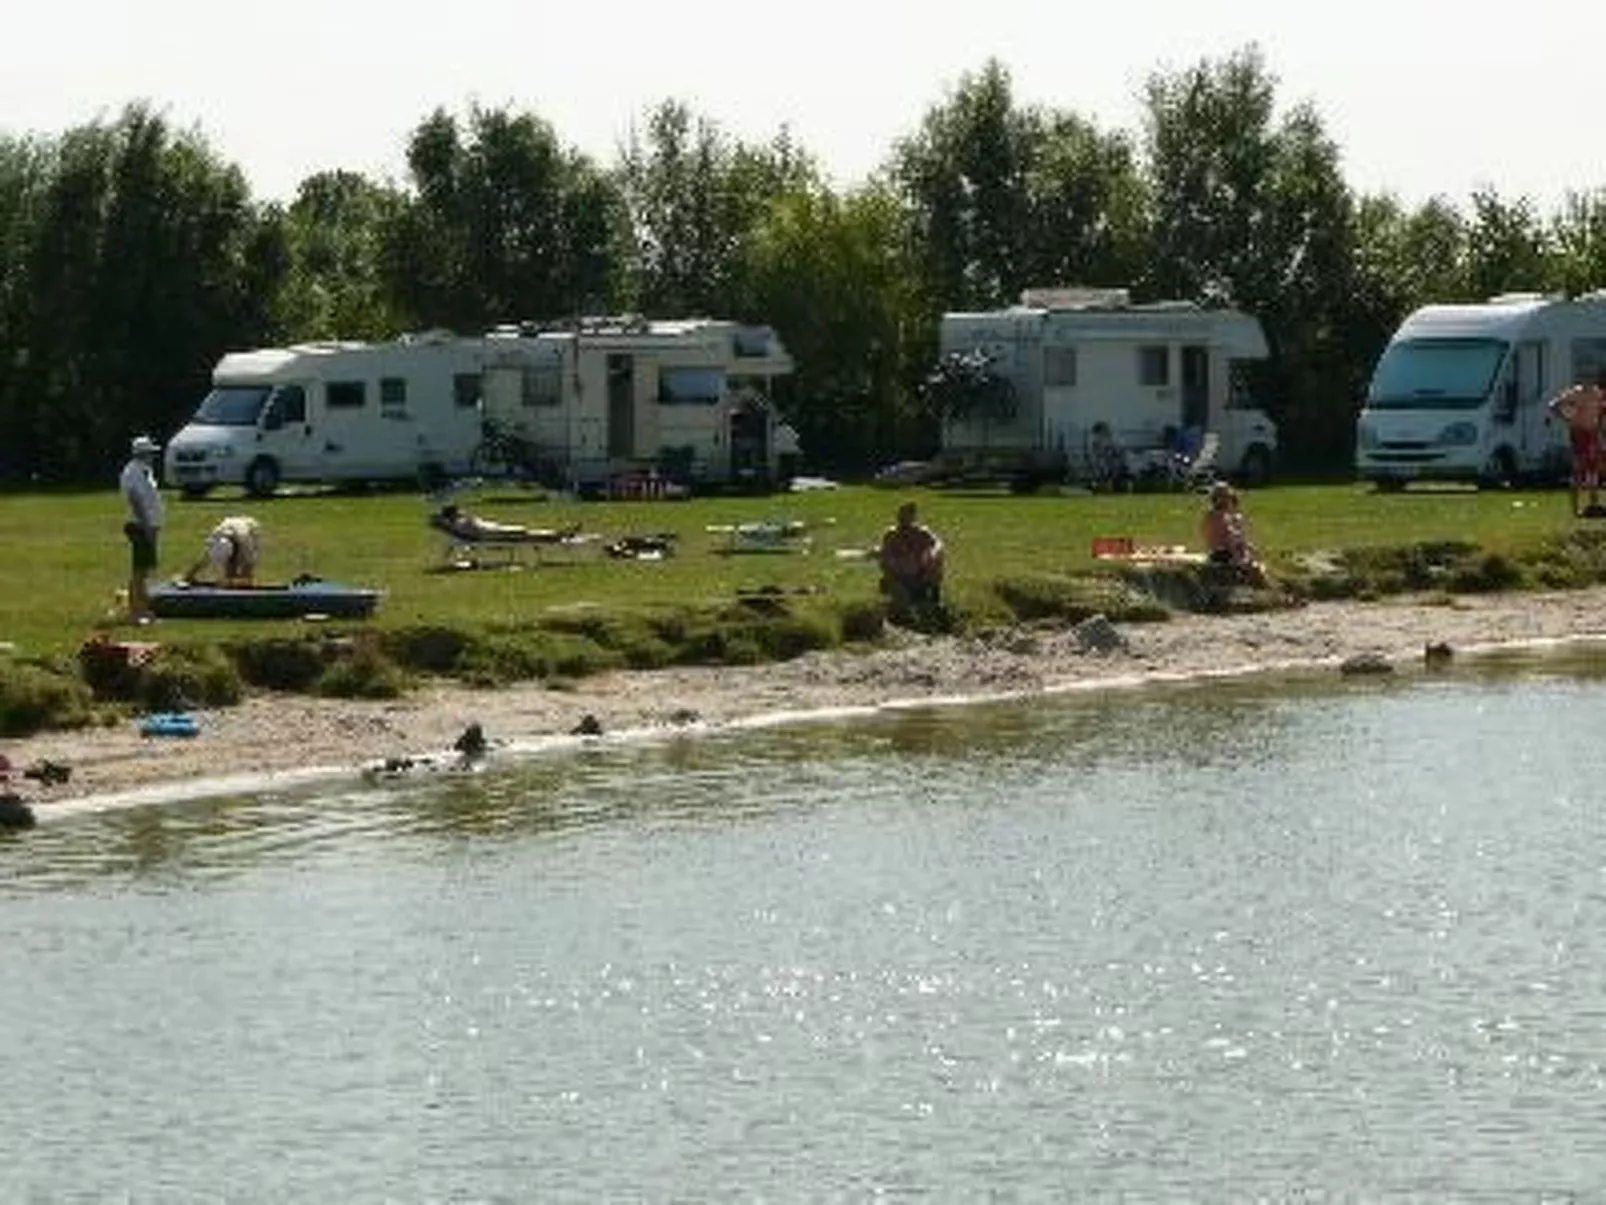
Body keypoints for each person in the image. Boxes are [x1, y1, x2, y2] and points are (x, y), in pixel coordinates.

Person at [1547, 368, 1606, 516]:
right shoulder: (1574, 392)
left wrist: (1599, 429)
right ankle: (1576, 509)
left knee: (1594, 470)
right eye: (1586, 377)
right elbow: (1553, 405)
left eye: (1591, 378)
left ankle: (1594, 505)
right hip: (1579, 432)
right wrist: (1567, 417)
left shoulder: (1597, 392)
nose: (1589, 381)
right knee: (1579, 470)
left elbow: (1599, 413)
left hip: (1593, 433)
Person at [119, 434, 164, 622]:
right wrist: (146, 524)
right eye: (150, 453)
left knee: (144, 570)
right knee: (139, 570)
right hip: (139, 525)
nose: (153, 456)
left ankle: (144, 609)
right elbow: (135, 499)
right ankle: (135, 611)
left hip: (147, 525)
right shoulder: (132, 472)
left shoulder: (145, 471)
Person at [879, 501, 945, 620]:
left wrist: (933, 554)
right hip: (898, 578)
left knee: (935, 562)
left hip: (919, 575)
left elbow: (938, 544)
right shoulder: (891, 535)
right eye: (902, 515)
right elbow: (885, 560)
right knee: (903, 606)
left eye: (908, 516)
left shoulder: (921, 533)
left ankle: (934, 602)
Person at [1200, 481, 1266, 586]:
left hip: (1223, 552)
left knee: (1253, 562)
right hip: (1223, 554)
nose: (1229, 500)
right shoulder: (1217, 516)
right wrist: (1243, 553)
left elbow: (1231, 537)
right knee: (1254, 568)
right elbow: (1228, 539)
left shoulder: (1217, 514)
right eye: (1227, 497)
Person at [180, 515, 262, 586]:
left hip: (242, 533)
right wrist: (189, 576)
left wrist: (243, 580)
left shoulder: (246, 542)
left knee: (244, 573)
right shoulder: (217, 540)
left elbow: (248, 565)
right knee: (233, 576)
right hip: (227, 535)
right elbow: (203, 560)